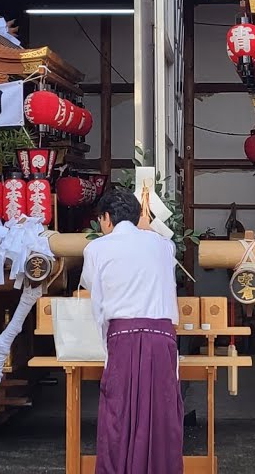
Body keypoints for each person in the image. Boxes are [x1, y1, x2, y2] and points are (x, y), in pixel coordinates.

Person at [80, 187, 182, 474]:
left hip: (122, 337)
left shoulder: (97, 248)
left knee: (118, 413)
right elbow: (161, 241)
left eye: (101, 221)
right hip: (162, 338)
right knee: (161, 414)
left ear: (107, 218)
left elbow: (91, 287)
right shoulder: (163, 245)